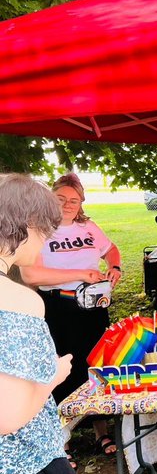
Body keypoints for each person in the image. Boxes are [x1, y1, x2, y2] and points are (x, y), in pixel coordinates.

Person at [0, 175, 90, 474]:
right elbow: (7, 417)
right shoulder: (16, 299)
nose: (47, 240)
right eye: (45, 230)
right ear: (28, 224)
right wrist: (50, 379)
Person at [18, 174, 121, 459]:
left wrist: (115, 267)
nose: (67, 204)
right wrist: (79, 274)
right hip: (59, 308)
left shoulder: (88, 227)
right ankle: (61, 440)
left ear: (81, 203)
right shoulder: (38, 229)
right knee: (61, 369)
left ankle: (101, 429)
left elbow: (111, 250)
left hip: (93, 307)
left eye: (74, 200)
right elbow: (33, 275)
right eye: (61, 198)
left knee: (96, 366)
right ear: (50, 199)